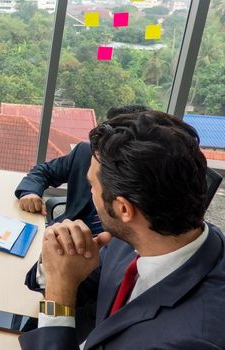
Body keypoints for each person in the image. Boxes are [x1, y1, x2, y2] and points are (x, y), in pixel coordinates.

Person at [20, 111, 225, 349]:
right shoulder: (140, 236)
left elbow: (62, 292)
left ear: (123, 209)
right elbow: (84, 283)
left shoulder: (194, 339)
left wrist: (57, 297)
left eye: (92, 186)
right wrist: (57, 262)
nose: (91, 193)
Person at [15, 105, 149, 234]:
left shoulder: (144, 182)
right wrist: (29, 193)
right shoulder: (85, 152)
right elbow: (45, 171)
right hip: (61, 233)